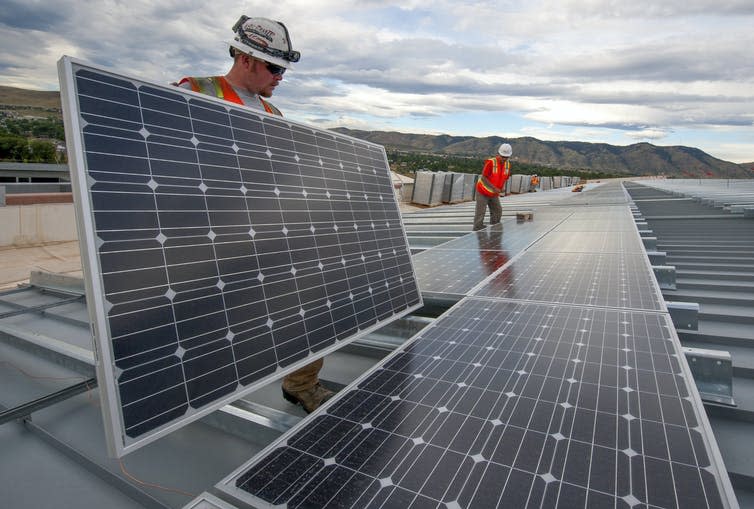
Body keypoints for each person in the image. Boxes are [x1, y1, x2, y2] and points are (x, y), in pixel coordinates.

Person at [176, 15, 334, 414]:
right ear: (246, 58)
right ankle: (188, 391)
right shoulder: (193, 91)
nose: (281, 77)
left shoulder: (272, 114)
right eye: (275, 67)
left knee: (307, 301)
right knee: (206, 323)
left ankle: (301, 383)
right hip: (208, 237)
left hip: (261, 232)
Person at [473, 143, 512, 231]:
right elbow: (483, 177)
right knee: (480, 212)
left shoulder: (507, 165)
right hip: (483, 191)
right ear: (499, 154)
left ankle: (494, 227)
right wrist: (494, 188)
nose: (504, 159)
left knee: (497, 210)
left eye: (506, 157)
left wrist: (501, 187)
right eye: (502, 156)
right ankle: (477, 229)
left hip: (494, 193)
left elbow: (504, 178)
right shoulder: (491, 162)